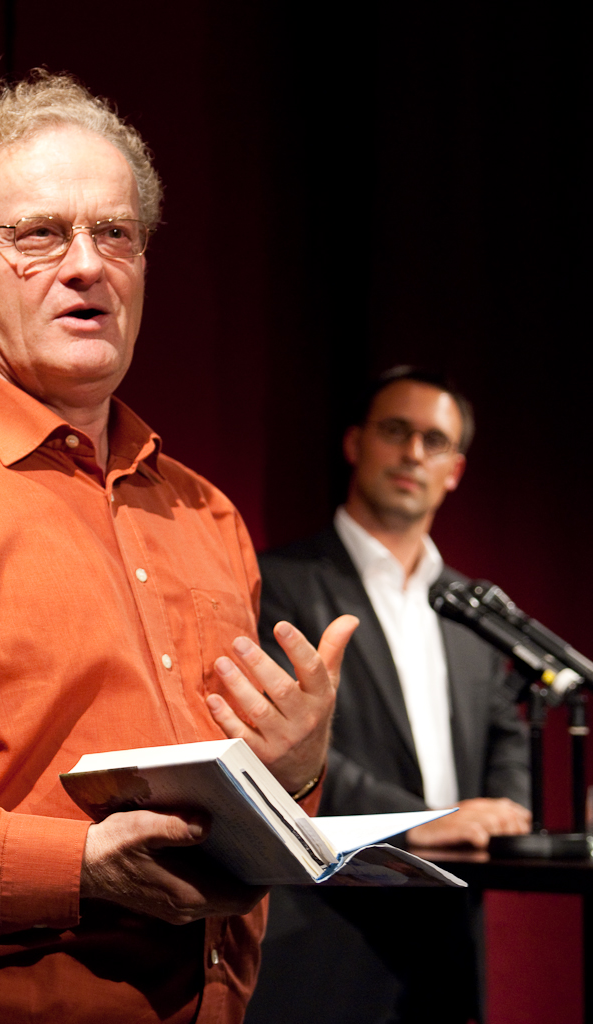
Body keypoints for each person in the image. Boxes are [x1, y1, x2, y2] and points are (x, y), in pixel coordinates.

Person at [0, 72, 356, 1024]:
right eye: (39, 234)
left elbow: (236, 823)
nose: (86, 265)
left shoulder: (206, 513)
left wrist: (296, 769)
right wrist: (80, 869)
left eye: (115, 233)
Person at [245, 367, 531, 1024]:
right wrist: (419, 821)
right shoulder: (277, 582)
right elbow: (284, 743)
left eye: (434, 441)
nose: (412, 454)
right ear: (355, 443)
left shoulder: (475, 609)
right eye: (396, 432)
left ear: (454, 469)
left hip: (447, 943)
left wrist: (508, 813)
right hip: (327, 935)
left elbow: (505, 733)